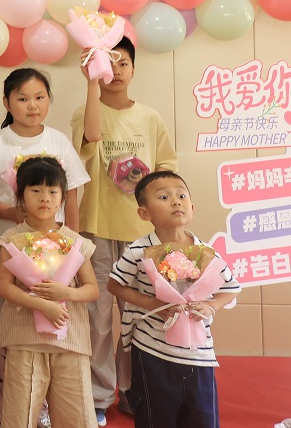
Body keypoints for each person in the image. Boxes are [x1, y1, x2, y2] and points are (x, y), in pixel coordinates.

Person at [70, 36, 178, 425]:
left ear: (134, 69)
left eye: (123, 63)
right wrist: (90, 84)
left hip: (142, 234)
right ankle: (99, 396)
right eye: (108, 62)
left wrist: (154, 197)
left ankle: (135, 393)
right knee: (97, 320)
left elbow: (167, 168)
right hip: (97, 229)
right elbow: (88, 145)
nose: (115, 71)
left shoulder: (150, 118)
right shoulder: (85, 113)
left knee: (138, 318)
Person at [0, 67, 89, 425]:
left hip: (59, 258)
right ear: (7, 102)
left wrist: (73, 249)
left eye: (39, 97)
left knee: (54, 331)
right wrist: (14, 213)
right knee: (10, 328)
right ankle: (7, 407)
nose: (32, 105)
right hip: (11, 253)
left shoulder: (58, 140)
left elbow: (72, 197)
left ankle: (49, 407)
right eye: (22, 98)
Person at [107, 171, 240, 428]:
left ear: (192, 208)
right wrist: (152, 304)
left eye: (181, 196)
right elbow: (114, 285)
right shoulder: (137, 250)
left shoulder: (206, 252)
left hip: (199, 355)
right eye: (164, 197)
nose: (176, 201)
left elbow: (231, 287)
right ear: (144, 213)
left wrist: (211, 306)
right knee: (155, 418)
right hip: (152, 351)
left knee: (202, 419)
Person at [0, 157, 100, 427]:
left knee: (77, 416)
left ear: (63, 198)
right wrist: (41, 304)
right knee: (20, 416)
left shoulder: (76, 241)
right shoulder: (11, 240)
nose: (45, 197)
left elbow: (92, 289)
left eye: (53, 191)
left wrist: (64, 293)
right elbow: (4, 286)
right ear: (20, 196)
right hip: (25, 338)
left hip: (70, 339)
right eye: (36, 190)